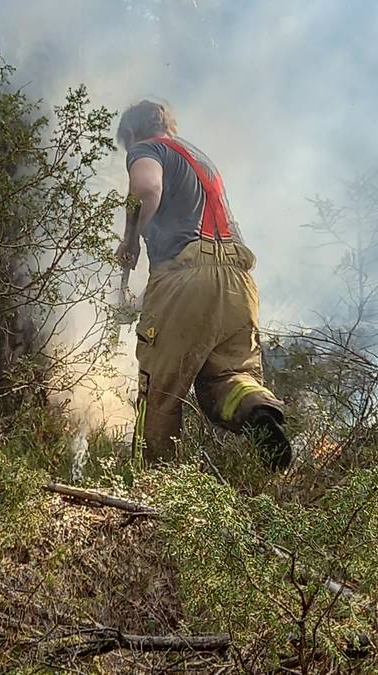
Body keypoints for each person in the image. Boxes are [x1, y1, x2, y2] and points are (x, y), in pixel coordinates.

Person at [115, 99, 291, 469]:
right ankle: (258, 411)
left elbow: (146, 189)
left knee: (159, 396)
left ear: (131, 134)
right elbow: (198, 275)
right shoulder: (201, 159)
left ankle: (154, 492)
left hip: (187, 280)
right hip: (238, 284)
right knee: (228, 380)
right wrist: (139, 304)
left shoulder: (147, 148)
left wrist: (130, 237)